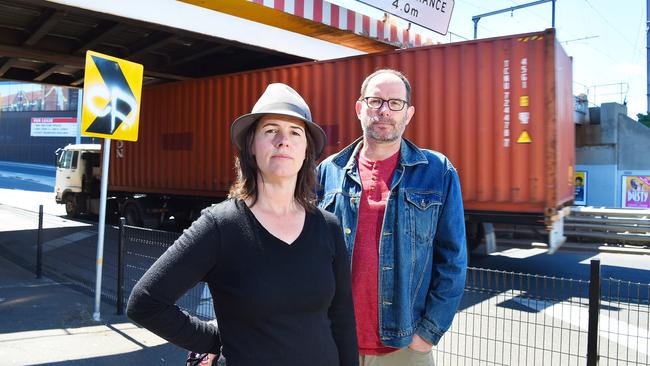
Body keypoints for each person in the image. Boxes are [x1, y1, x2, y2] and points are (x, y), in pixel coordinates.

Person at [127, 83, 359, 366]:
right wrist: (220, 340)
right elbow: (145, 303)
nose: (283, 140)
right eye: (271, 130)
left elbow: (343, 322)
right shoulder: (221, 226)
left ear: (306, 150)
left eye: (295, 132)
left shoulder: (328, 227)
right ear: (251, 145)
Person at [317, 69, 467, 365]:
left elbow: (453, 260)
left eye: (395, 103)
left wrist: (427, 335)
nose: (384, 110)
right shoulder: (327, 171)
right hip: (334, 342)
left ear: (408, 114)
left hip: (403, 348)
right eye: (375, 101)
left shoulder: (438, 172)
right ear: (360, 108)